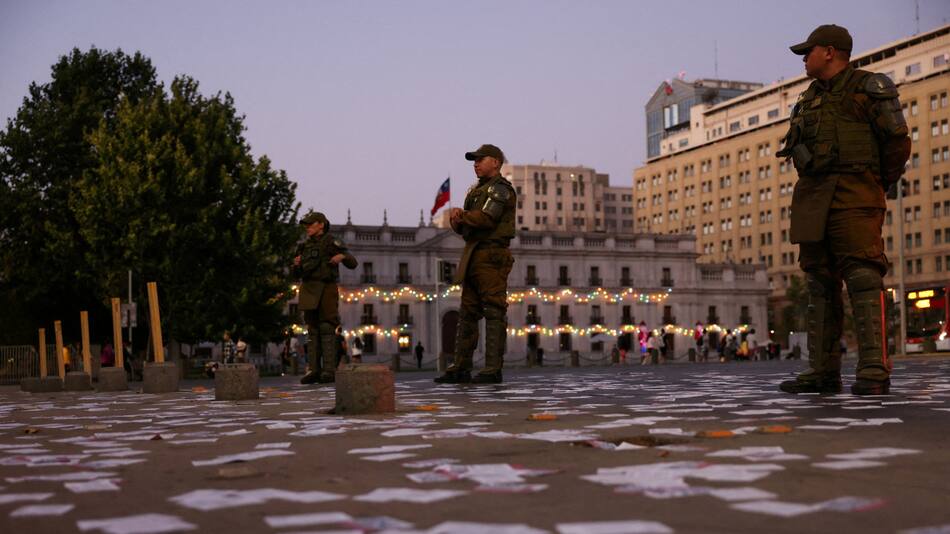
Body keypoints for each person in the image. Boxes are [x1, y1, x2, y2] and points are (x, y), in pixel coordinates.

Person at [777, 25, 910, 396]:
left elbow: (897, 142)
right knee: (819, 283)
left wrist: (876, 182)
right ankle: (822, 371)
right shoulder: (806, 99)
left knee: (863, 277)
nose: (804, 58)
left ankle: (873, 370)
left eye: (809, 51)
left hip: (855, 193)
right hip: (813, 198)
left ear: (831, 52)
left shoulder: (869, 88)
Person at [435, 144, 516, 384]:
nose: (476, 164)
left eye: (481, 159)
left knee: (493, 310)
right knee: (467, 312)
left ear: (496, 162)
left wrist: (462, 215)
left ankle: (492, 368)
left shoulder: (501, 189)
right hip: (473, 253)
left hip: (491, 254)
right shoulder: (476, 191)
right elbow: (467, 227)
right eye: (474, 160)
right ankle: (461, 366)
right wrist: (456, 220)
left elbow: (487, 218)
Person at [293, 211, 358, 384]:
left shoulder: (331, 242)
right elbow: (295, 273)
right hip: (308, 289)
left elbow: (353, 262)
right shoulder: (303, 246)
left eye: (310, 224)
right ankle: (313, 370)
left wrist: (342, 256)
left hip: (326, 288)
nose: (307, 227)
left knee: (327, 328)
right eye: (306, 224)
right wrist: (296, 265)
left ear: (321, 224)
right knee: (312, 331)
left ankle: (329, 370)